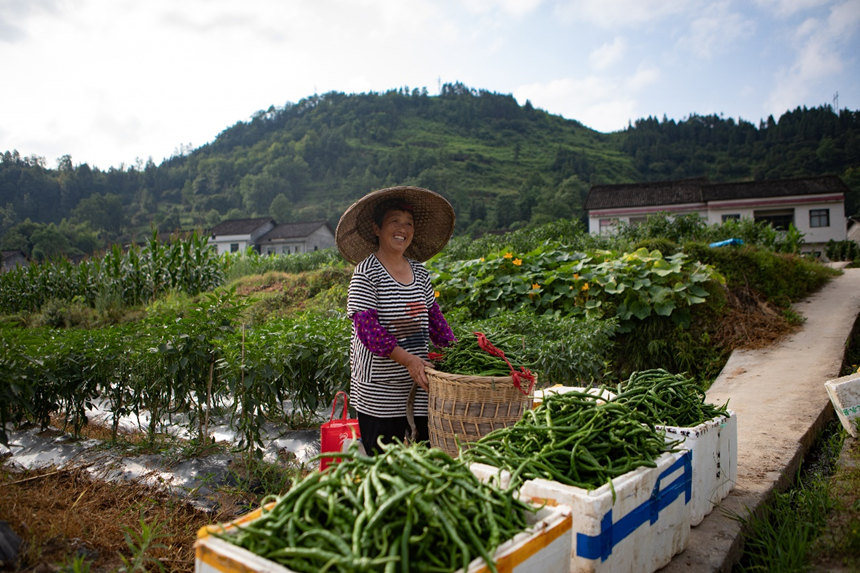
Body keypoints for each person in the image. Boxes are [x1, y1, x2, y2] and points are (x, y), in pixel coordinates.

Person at [335, 186, 457, 455]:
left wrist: (459, 353)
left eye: (408, 224)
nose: (403, 229)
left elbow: (435, 320)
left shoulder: (419, 273)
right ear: (376, 228)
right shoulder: (366, 273)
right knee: (383, 460)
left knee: (423, 457)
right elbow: (368, 331)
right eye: (394, 222)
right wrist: (409, 360)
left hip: (419, 384)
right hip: (380, 390)